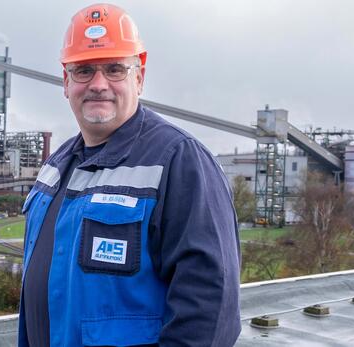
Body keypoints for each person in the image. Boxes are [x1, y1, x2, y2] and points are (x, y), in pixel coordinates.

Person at [18, 3, 241, 346]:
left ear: (139, 76)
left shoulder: (179, 162)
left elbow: (209, 310)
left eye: (114, 69)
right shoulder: (57, 165)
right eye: (83, 71)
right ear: (65, 81)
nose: (98, 84)